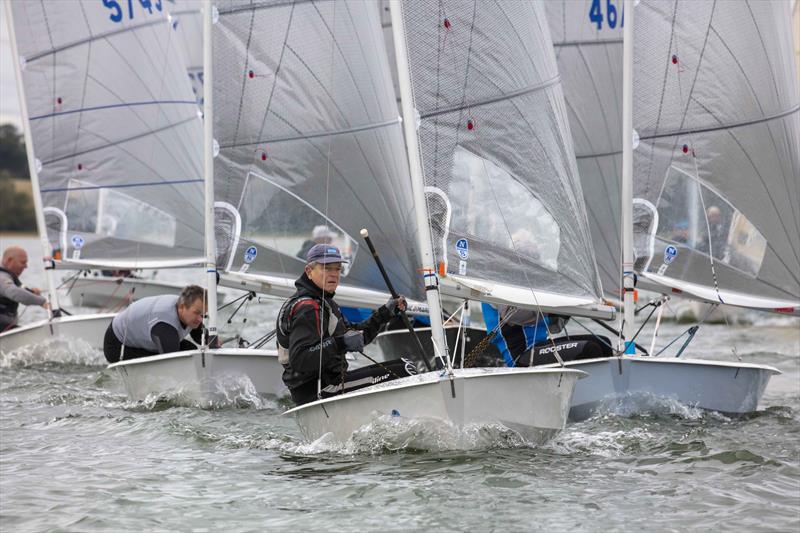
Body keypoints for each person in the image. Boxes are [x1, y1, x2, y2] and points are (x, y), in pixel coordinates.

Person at [277, 243, 414, 406]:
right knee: (405, 371)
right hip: (320, 392)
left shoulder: (324, 302)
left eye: (337, 269)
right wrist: (341, 343)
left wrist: (385, 313)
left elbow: (355, 336)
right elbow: (300, 359)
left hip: (332, 383)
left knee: (405, 364)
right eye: (327, 268)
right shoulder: (307, 308)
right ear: (309, 271)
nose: (334, 274)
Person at [103, 284, 218, 363]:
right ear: (182, 307)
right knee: (179, 356)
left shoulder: (188, 310)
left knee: (191, 351)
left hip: (144, 336)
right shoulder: (165, 326)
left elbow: (199, 334)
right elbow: (169, 363)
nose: (200, 319)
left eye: (203, 315)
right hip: (118, 346)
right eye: (197, 313)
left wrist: (212, 341)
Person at [0, 246, 48, 332]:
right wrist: (43, 302)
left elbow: (18, 290)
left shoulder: (8, 278)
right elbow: (14, 292)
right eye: (23, 262)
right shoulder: (2, 277)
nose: (26, 266)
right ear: (9, 260)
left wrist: (31, 292)